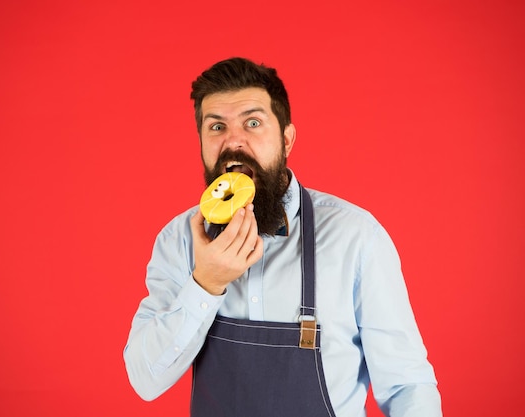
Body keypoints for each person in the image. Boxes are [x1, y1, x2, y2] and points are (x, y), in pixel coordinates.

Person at [123, 57, 442, 416]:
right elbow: (145, 380)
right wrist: (205, 284)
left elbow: (406, 386)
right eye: (216, 127)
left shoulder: (355, 237)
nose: (233, 141)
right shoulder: (179, 241)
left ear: (286, 140)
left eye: (253, 123)